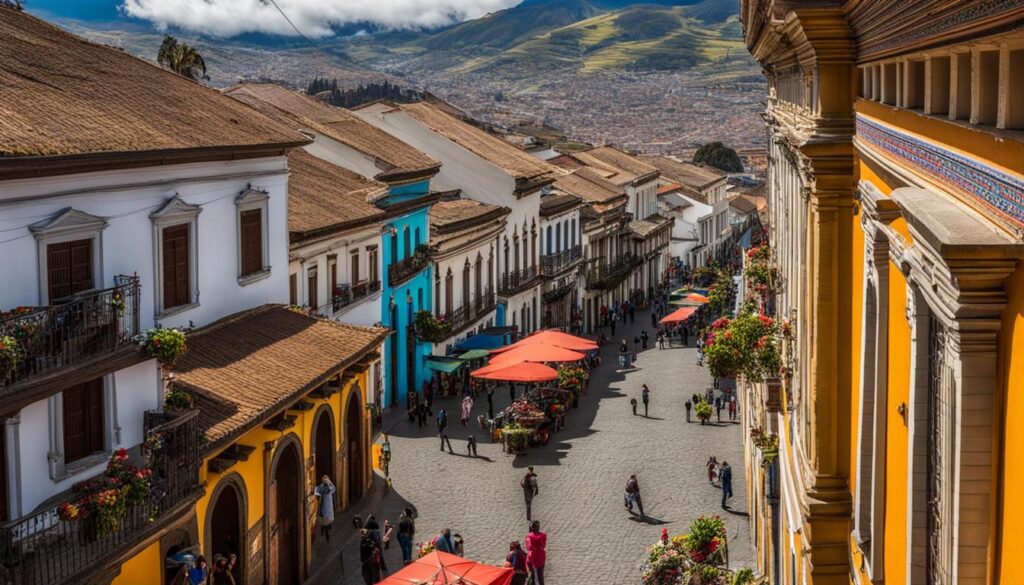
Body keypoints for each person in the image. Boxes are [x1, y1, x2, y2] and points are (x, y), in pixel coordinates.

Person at [313, 475, 336, 541]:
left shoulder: (329, 485)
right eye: (324, 480)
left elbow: (333, 489)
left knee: (327, 516)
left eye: (326, 480)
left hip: (328, 502)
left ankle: (326, 528)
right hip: (324, 503)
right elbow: (318, 491)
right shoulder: (322, 486)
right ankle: (325, 530)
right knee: (324, 516)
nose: (325, 481)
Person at [525, 521, 547, 585]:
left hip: (533, 555)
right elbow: (544, 545)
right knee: (540, 574)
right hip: (541, 555)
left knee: (534, 574)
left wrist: (534, 548)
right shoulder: (543, 535)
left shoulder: (529, 536)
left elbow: (529, 547)